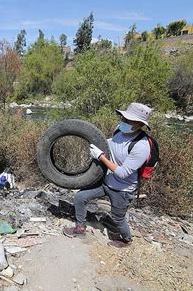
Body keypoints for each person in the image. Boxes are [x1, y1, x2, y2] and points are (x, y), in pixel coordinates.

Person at [63, 102, 153, 248]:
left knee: (118, 219)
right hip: (107, 181)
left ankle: (127, 240)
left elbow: (123, 173)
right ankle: (80, 228)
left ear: (139, 124)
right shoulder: (119, 130)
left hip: (122, 189)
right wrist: (96, 144)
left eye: (129, 120)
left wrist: (101, 157)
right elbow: (111, 143)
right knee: (80, 197)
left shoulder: (141, 146)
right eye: (124, 118)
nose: (124, 121)